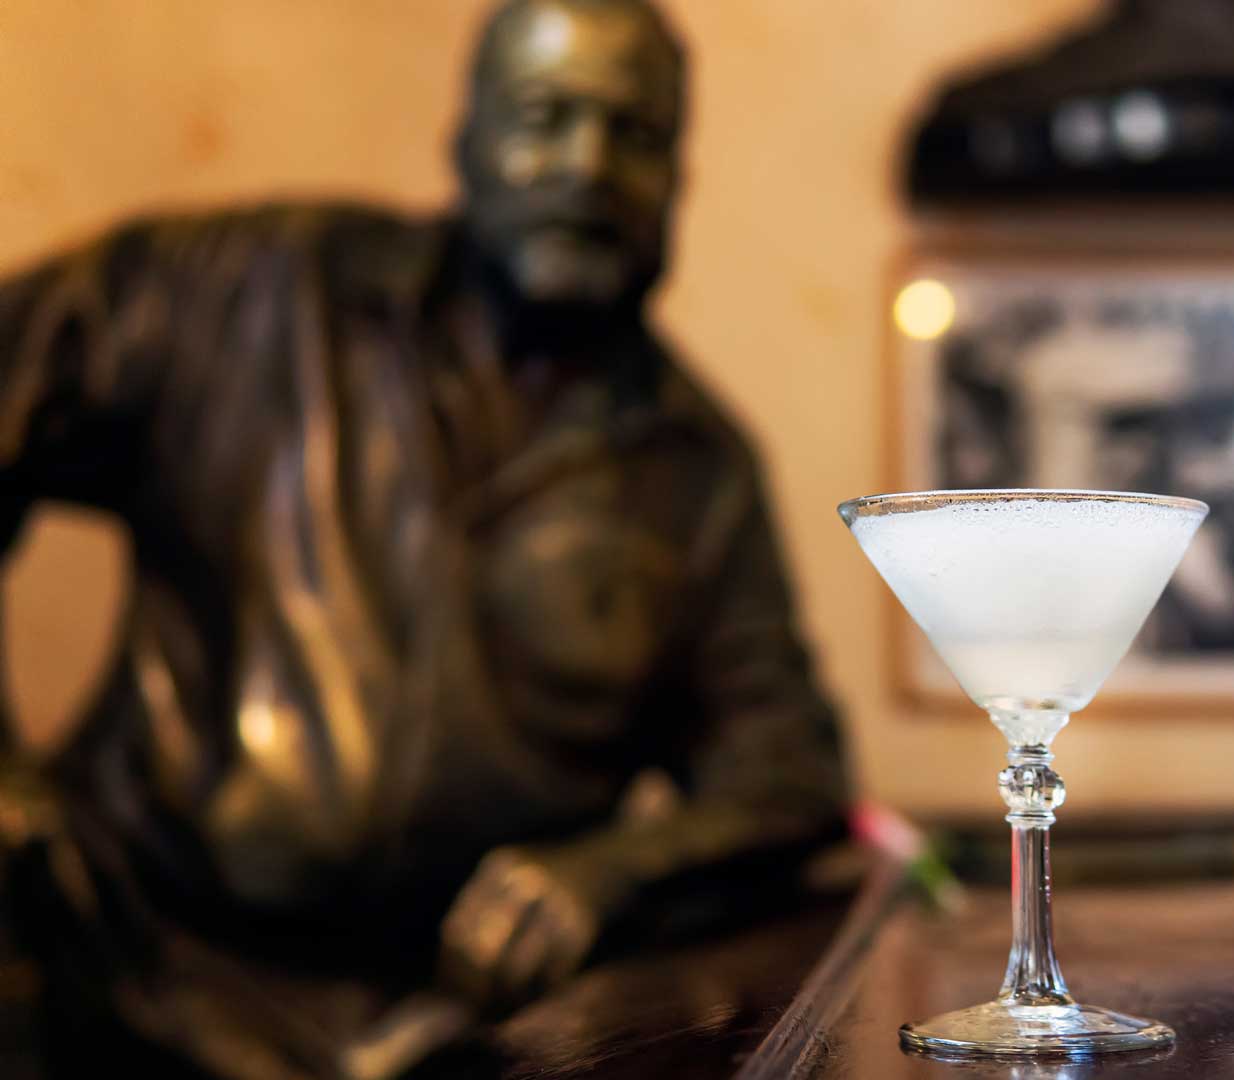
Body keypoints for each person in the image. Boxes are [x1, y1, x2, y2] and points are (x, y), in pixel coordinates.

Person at [0, 0, 847, 1074]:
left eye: (634, 134)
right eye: (545, 115)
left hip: (448, 1032)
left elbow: (788, 773)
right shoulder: (240, 288)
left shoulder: (698, 467)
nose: (587, 165)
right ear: (466, 137)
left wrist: (613, 869)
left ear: (679, 177)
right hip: (114, 977)